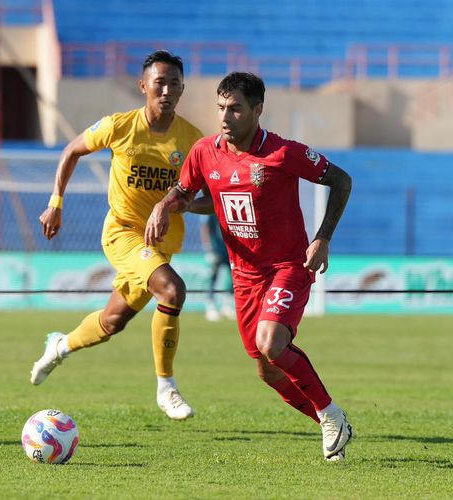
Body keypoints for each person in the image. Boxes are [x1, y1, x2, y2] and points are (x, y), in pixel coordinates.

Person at [145, 72, 354, 460]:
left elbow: (341, 180)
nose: (226, 117)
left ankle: (328, 414)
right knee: (267, 371)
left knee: (272, 343)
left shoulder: (283, 152)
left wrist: (322, 238)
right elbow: (185, 191)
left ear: (257, 110)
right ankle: (334, 422)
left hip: (287, 267)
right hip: (244, 277)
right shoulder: (205, 151)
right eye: (221, 108)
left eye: (236, 108)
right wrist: (164, 205)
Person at [30, 50, 207, 421]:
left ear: (182, 89)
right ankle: (166, 387)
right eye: (159, 82)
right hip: (123, 233)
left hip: (160, 247)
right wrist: (56, 202)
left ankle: (59, 346)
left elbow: (214, 197)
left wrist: (186, 205)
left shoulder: (193, 140)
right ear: (143, 86)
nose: (167, 90)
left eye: (175, 83)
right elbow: (71, 150)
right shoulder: (119, 126)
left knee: (113, 322)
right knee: (173, 290)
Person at [200, 214, 235, 321]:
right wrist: (208, 248)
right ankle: (210, 306)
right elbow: (205, 227)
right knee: (212, 277)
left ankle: (227, 305)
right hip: (216, 248)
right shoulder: (211, 207)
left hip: (229, 249)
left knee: (234, 277)